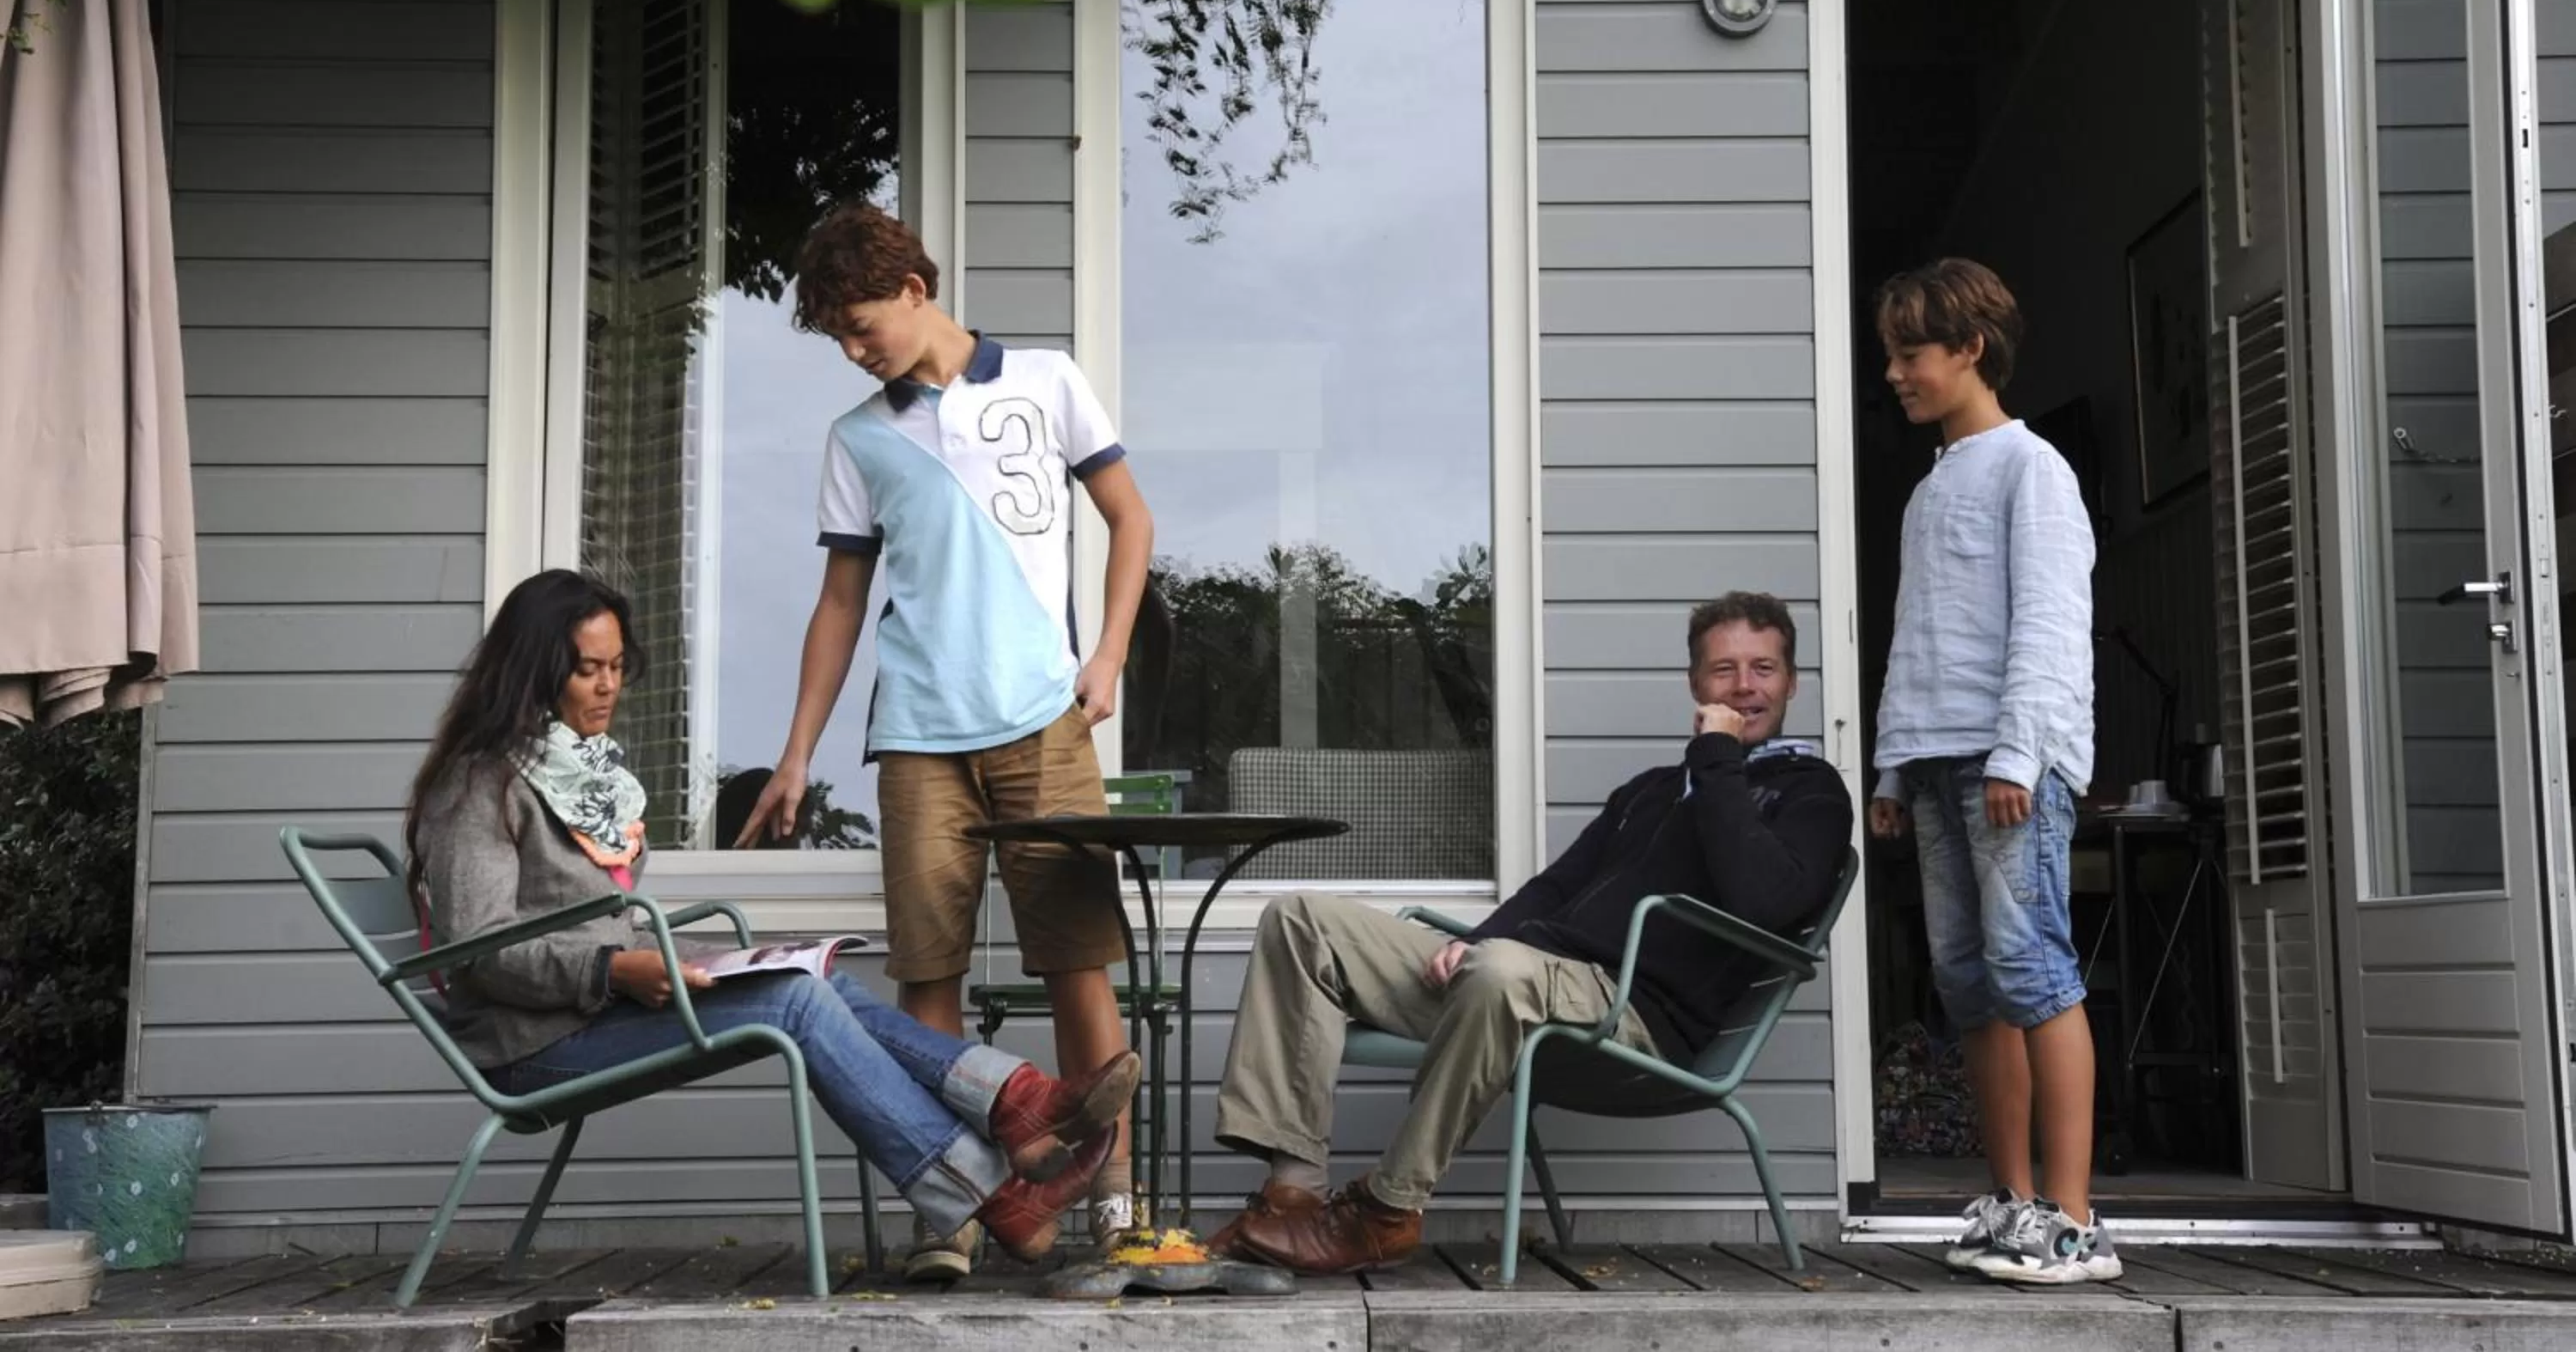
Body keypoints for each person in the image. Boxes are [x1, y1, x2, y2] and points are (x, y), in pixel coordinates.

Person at [403, 569, 1142, 1264]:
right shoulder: (482, 784)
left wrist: (683, 962)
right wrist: (612, 968)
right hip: (535, 1043)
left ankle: (1017, 1100)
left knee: (815, 976)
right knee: (794, 1003)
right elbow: (478, 952)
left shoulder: (585, 777)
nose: (607, 687)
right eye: (586, 669)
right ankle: (995, 1186)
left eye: (618, 666)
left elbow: (596, 921)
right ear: (533, 671)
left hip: (597, 1009)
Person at [731, 205, 1155, 1279]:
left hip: (1045, 722)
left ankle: (1112, 1201)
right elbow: (839, 602)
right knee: (930, 978)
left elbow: (1131, 519)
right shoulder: (857, 437)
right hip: (917, 738)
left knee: (1078, 962)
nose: (853, 350)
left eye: (862, 325)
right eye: (836, 336)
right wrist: (795, 754)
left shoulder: (1048, 381)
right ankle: (952, 1209)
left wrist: (1106, 656)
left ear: (915, 289)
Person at [1204, 592, 1851, 1275]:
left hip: (1633, 1013)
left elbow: (1764, 900)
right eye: (1724, 670)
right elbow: (1555, 888)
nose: (1744, 686)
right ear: (1695, 683)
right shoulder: (1651, 791)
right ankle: (1293, 1200)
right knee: (1300, 920)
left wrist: (1717, 756)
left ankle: (1387, 1211)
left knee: (1502, 972)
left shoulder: (1811, 795)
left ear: (1792, 682)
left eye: (1763, 668)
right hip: (1525, 981)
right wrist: (1478, 940)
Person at [1865, 258, 2112, 1286]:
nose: (1894, 373)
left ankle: (2073, 1219)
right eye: (1888, 355)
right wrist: (1889, 765)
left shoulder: (2031, 468)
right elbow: (1916, 634)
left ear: (1971, 349)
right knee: (1968, 982)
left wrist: (2019, 751)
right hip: (1931, 762)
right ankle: (2010, 1205)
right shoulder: (1931, 490)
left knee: (2032, 969)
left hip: (2007, 761)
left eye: (1910, 353)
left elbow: (2052, 620)